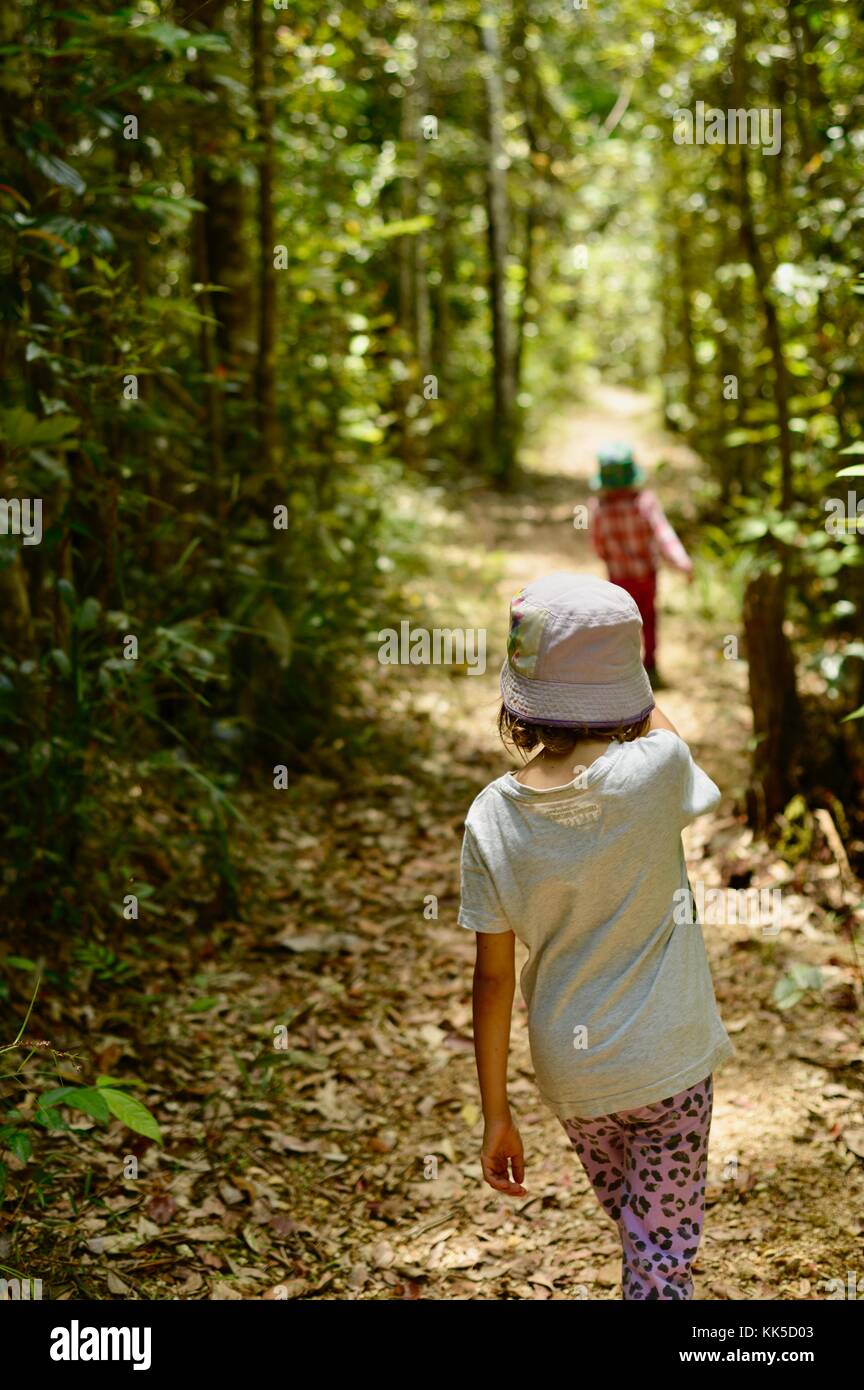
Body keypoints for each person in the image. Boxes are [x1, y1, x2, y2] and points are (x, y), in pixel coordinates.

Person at [458, 572, 734, 1300]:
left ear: (518, 703)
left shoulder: (491, 816)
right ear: (630, 691)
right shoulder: (656, 771)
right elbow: (664, 735)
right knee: (661, 1253)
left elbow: (490, 979)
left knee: (639, 1225)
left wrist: (496, 1113)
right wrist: (627, 690)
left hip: (574, 1077)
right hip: (668, 1063)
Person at [588, 443, 693, 687]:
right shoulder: (645, 503)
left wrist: (608, 557)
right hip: (646, 576)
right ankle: (651, 664)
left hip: (618, 578)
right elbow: (664, 535)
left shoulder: (598, 509)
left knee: (622, 620)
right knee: (648, 617)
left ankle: (624, 668)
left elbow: (598, 544)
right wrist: (682, 563)